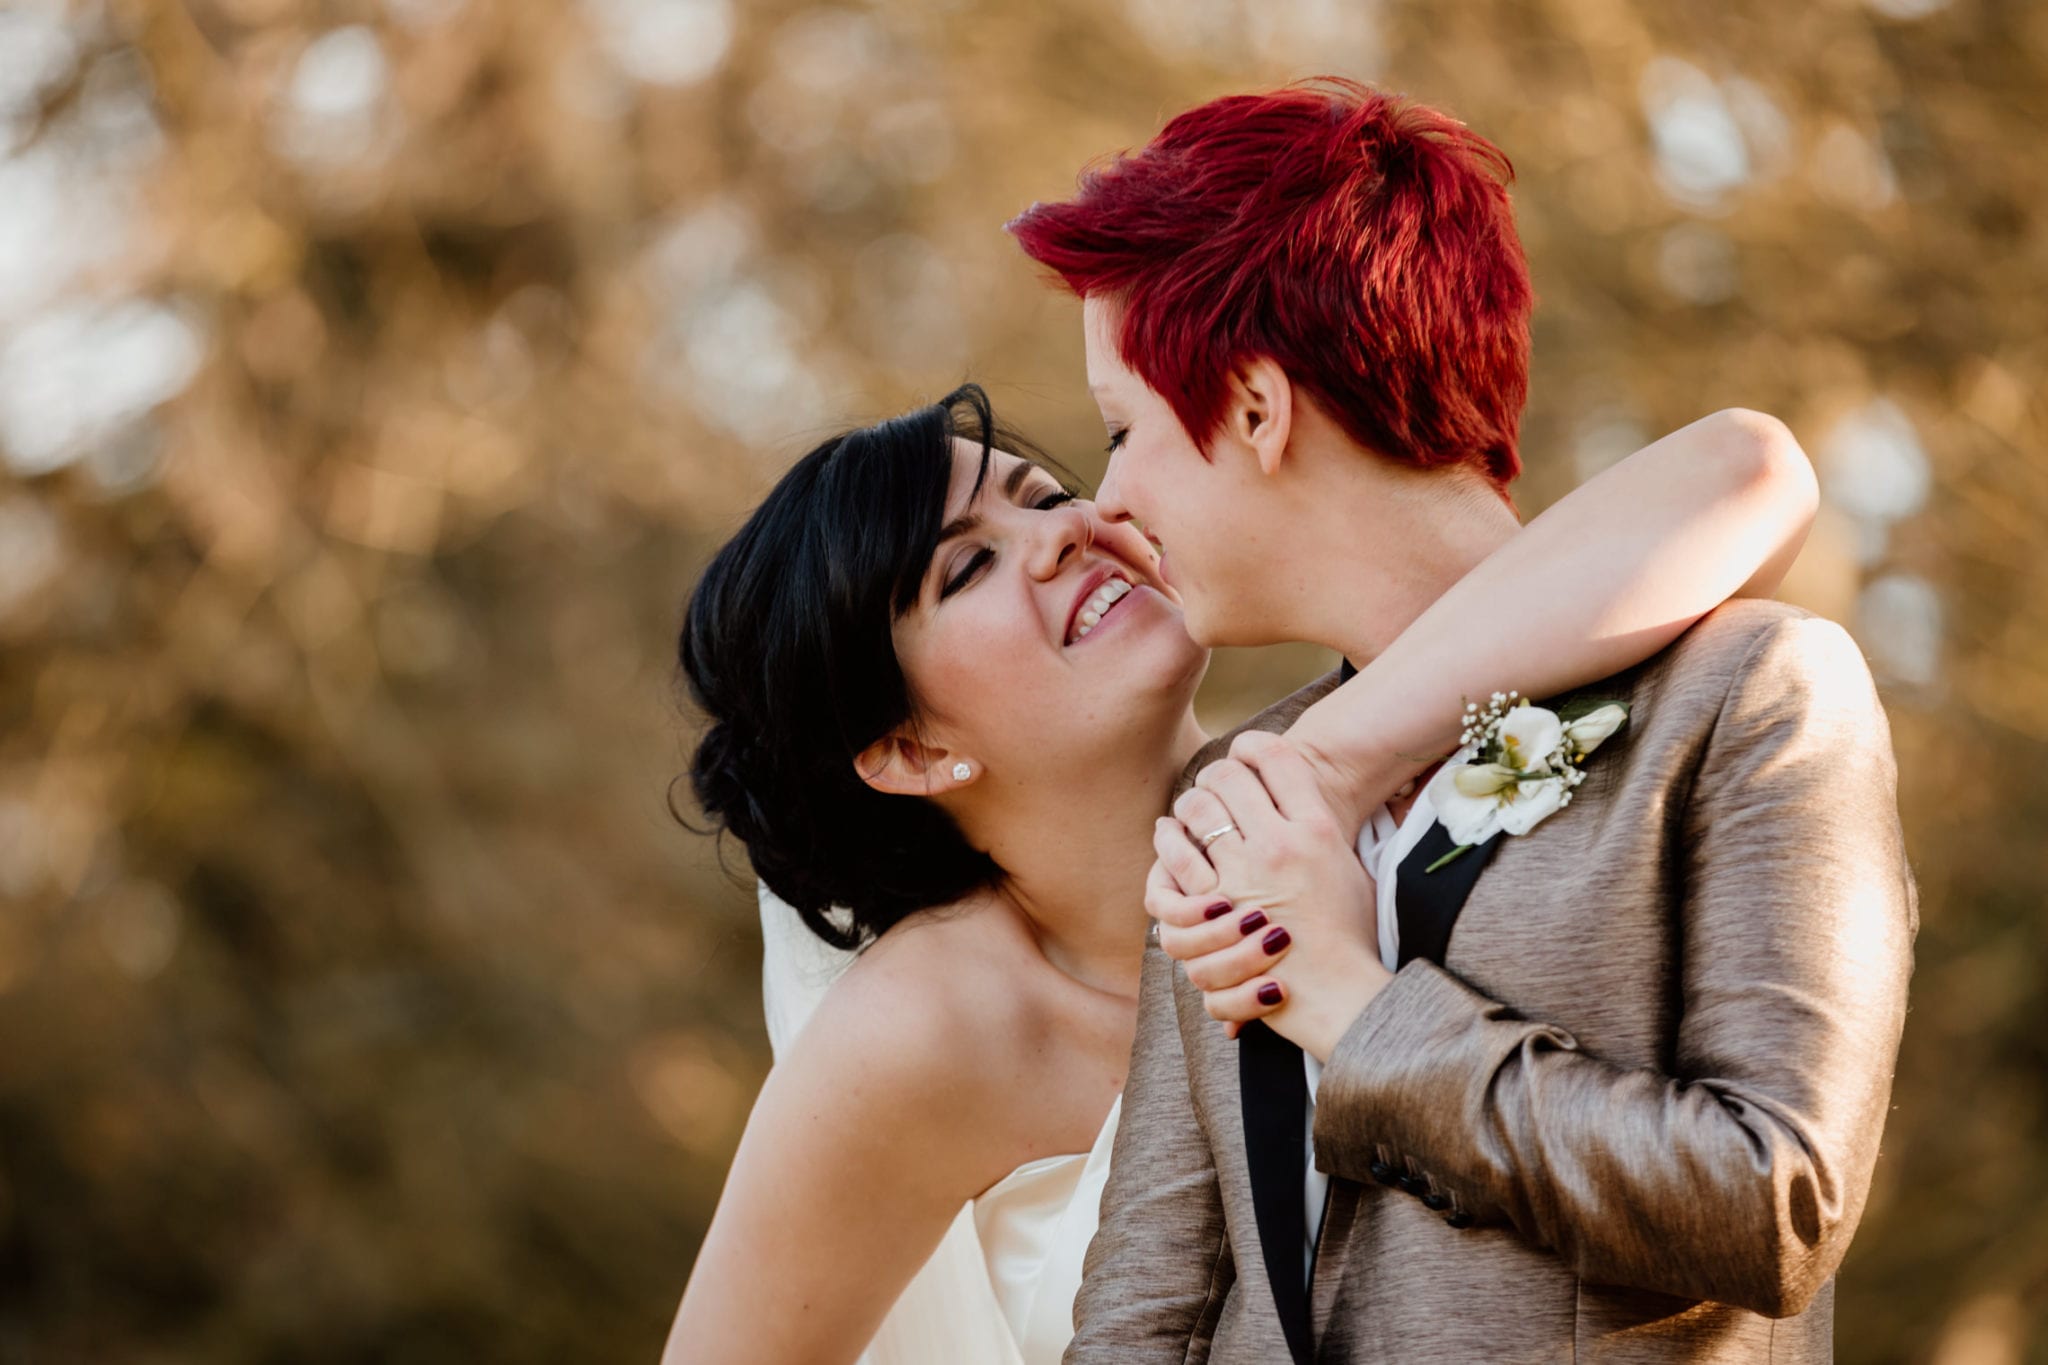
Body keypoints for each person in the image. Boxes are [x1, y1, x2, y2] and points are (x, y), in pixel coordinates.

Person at [1008, 79, 1916, 1363]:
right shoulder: (1239, 786)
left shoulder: (1742, 699)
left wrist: (1352, 1010)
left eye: (1121, 430)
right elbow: (1148, 1300)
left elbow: (1776, 1207)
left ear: (1253, 408)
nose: (1108, 499)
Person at [658, 375, 1825, 1361]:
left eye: (1048, 494)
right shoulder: (919, 1028)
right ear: (913, 751)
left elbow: (1742, 472)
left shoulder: (1356, 771)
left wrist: (1333, 754)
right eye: (966, 570)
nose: (1066, 528)